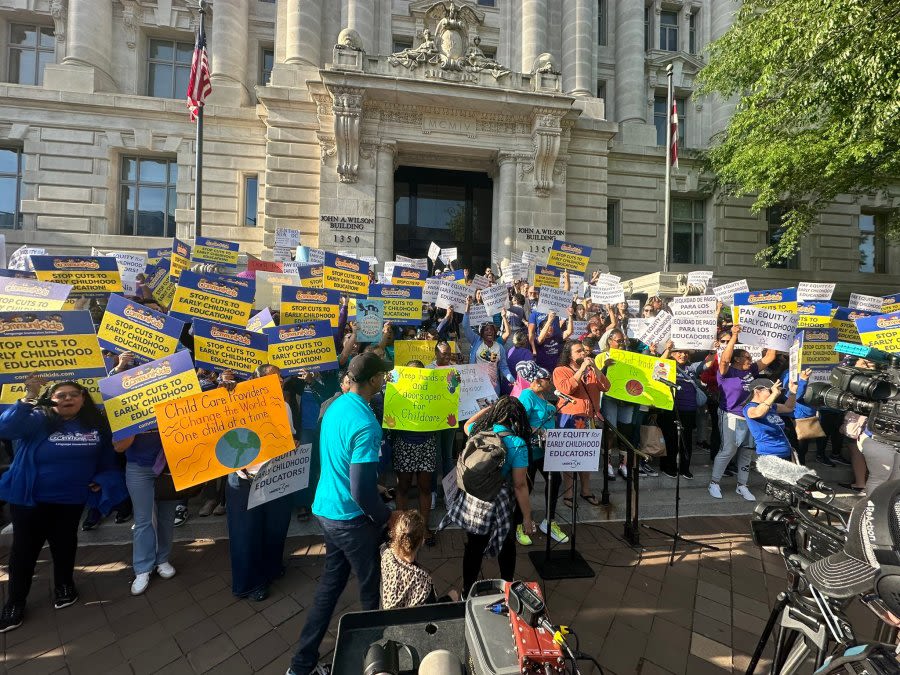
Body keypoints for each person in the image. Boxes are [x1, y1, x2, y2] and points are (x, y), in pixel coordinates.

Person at [288, 352, 393, 675]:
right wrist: (385, 517)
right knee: (371, 593)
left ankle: (301, 664)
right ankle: (373, 663)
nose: (385, 380)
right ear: (374, 380)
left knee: (330, 587)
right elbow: (360, 489)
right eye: (382, 376)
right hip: (350, 518)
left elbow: (342, 462)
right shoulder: (366, 423)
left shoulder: (336, 405)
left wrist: (371, 488)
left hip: (327, 509)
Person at [0, 377, 117, 633]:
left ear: (83, 398)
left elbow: (108, 461)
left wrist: (101, 479)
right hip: (30, 498)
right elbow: (6, 428)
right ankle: (15, 602)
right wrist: (29, 395)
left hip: (70, 499)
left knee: (64, 544)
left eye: (73, 394)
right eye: (61, 395)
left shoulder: (95, 425)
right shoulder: (37, 419)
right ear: (50, 399)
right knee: (24, 551)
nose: (67, 398)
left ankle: (65, 585)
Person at [446, 396, 535, 596]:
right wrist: (527, 517)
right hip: (501, 501)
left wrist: (490, 409)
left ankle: (467, 590)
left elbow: (467, 424)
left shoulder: (479, 431)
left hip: (476, 499)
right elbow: (520, 485)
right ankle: (507, 589)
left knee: (473, 547)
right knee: (506, 544)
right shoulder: (517, 443)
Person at [224, 365, 296, 602]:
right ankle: (251, 583)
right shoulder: (234, 405)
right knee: (246, 534)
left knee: (274, 530)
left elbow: (289, 440)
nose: (279, 383)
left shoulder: (284, 407)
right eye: (272, 380)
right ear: (256, 382)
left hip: (275, 478)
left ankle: (271, 571)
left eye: (281, 379)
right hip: (243, 480)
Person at [709, 324, 777, 501]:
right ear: (737, 359)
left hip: (749, 415)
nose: (750, 359)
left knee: (747, 451)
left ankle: (742, 486)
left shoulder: (751, 370)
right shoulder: (726, 372)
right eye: (746, 357)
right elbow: (724, 359)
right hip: (730, 414)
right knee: (728, 449)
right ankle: (714, 483)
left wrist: (775, 334)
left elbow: (770, 357)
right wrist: (733, 336)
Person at [514, 361, 567, 544]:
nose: (550, 382)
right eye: (547, 379)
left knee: (555, 481)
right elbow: (520, 421)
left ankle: (549, 521)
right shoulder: (527, 395)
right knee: (525, 487)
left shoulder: (543, 397)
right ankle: (519, 524)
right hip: (530, 451)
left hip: (548, 451)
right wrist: (538, 429)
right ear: (537, 381)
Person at [554, 340, 611, 508]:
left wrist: (596, 369)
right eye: (578, 351)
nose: (583, 354)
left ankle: (586, 490)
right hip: (569, 417)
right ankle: (569, 493)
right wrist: (580, 370)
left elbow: (606, 387)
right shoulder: (560, 370)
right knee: (569, 457)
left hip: (589, 418)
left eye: (584, 351)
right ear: (569, 355)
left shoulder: (591, 371)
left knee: (587, 457)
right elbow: (567, 389)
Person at [390, 360, 438, 545]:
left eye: (419, 373)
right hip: (404, 443)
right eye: (411, 373)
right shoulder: (399, 393)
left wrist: (453, 384)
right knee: (403, 487)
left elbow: (446, 403)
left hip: (427, 443)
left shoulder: (433, 394)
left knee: (425, 487)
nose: (415, 377)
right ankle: (402, 528)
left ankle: (424, 527)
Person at [380, 510, 459, 609]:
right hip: (408, 621)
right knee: (454, 594)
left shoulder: (386, 552)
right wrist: (450, 598)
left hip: (388, 615)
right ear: (422, 541)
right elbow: (432, 610)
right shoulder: (422, 581)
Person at [657, 343, 713, 479]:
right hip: (671, 409)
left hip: (689, 409)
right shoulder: (668, 365)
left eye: (686, 352)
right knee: (670, 439)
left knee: (686, 440)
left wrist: (713, 349)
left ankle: (684, 468)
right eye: (679, 352)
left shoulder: (691, 367)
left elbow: (708, 363)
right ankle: (667, 467)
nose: (683, 355)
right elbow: (658, 366)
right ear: (672, 354)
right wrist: (668, 349)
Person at [744, 370, 811, 459]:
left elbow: (788, 407)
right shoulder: (750, 407)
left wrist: (793, 392)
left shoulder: (771, 406)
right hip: (769, 455)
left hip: (785, 452)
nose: (776, 394)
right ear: (757, 391)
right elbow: (757, 413)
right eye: (770, 391)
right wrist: (774, 394)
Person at [463, 296, 514, 393]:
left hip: (493, 385)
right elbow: (465, 326)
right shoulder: (476, 341)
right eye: (486, 330)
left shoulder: (499, 347)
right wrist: (467, 307)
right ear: (481, 333)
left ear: (495, 333)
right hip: (477, 383)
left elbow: (503, 367)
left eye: (492, 330)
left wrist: (512, 379)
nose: (489, 331)